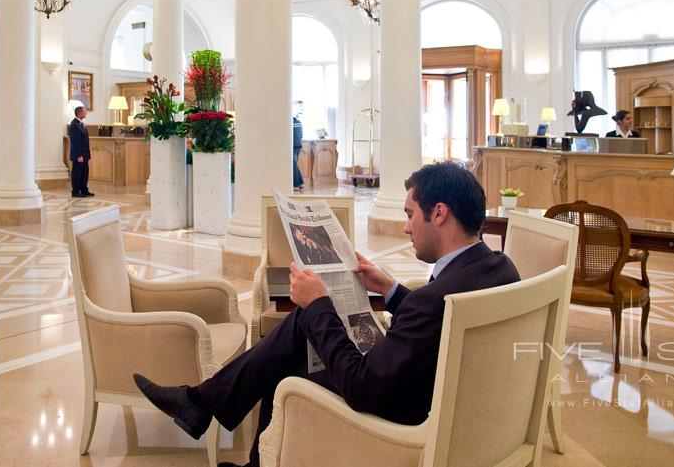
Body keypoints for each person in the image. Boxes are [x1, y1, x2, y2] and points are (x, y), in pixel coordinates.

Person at [133, 161, 520, 467]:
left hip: (408, 415)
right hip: (451, 400)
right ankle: (202, 405)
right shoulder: (501, 269)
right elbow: (439, 323)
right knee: (298, 329)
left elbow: (360, 386)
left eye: (409, 214)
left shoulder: (430, 302)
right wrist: (389, 288)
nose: (405, 228)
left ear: (439, 213)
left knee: (287, 368)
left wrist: (319, 304)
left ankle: (202, 406)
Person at [68, 105, 94, 198]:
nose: (86, 113)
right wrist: (79, 155)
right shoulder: (74, 125)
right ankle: (75, 191)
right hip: (78, 155)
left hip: (84, 154)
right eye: (84, 111)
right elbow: (75, 142)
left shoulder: (81, 124)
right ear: (79, 113)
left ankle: (83, 189)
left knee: (84, 172)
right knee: (77, 173)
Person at [292, 102, 304, 190]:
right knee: (294, 164)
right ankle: (301, 183)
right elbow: (301, 135)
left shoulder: (289, 123)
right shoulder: (299, 122)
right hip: (298, 146)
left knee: (293, 165)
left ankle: (296, 184)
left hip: (293, 146)